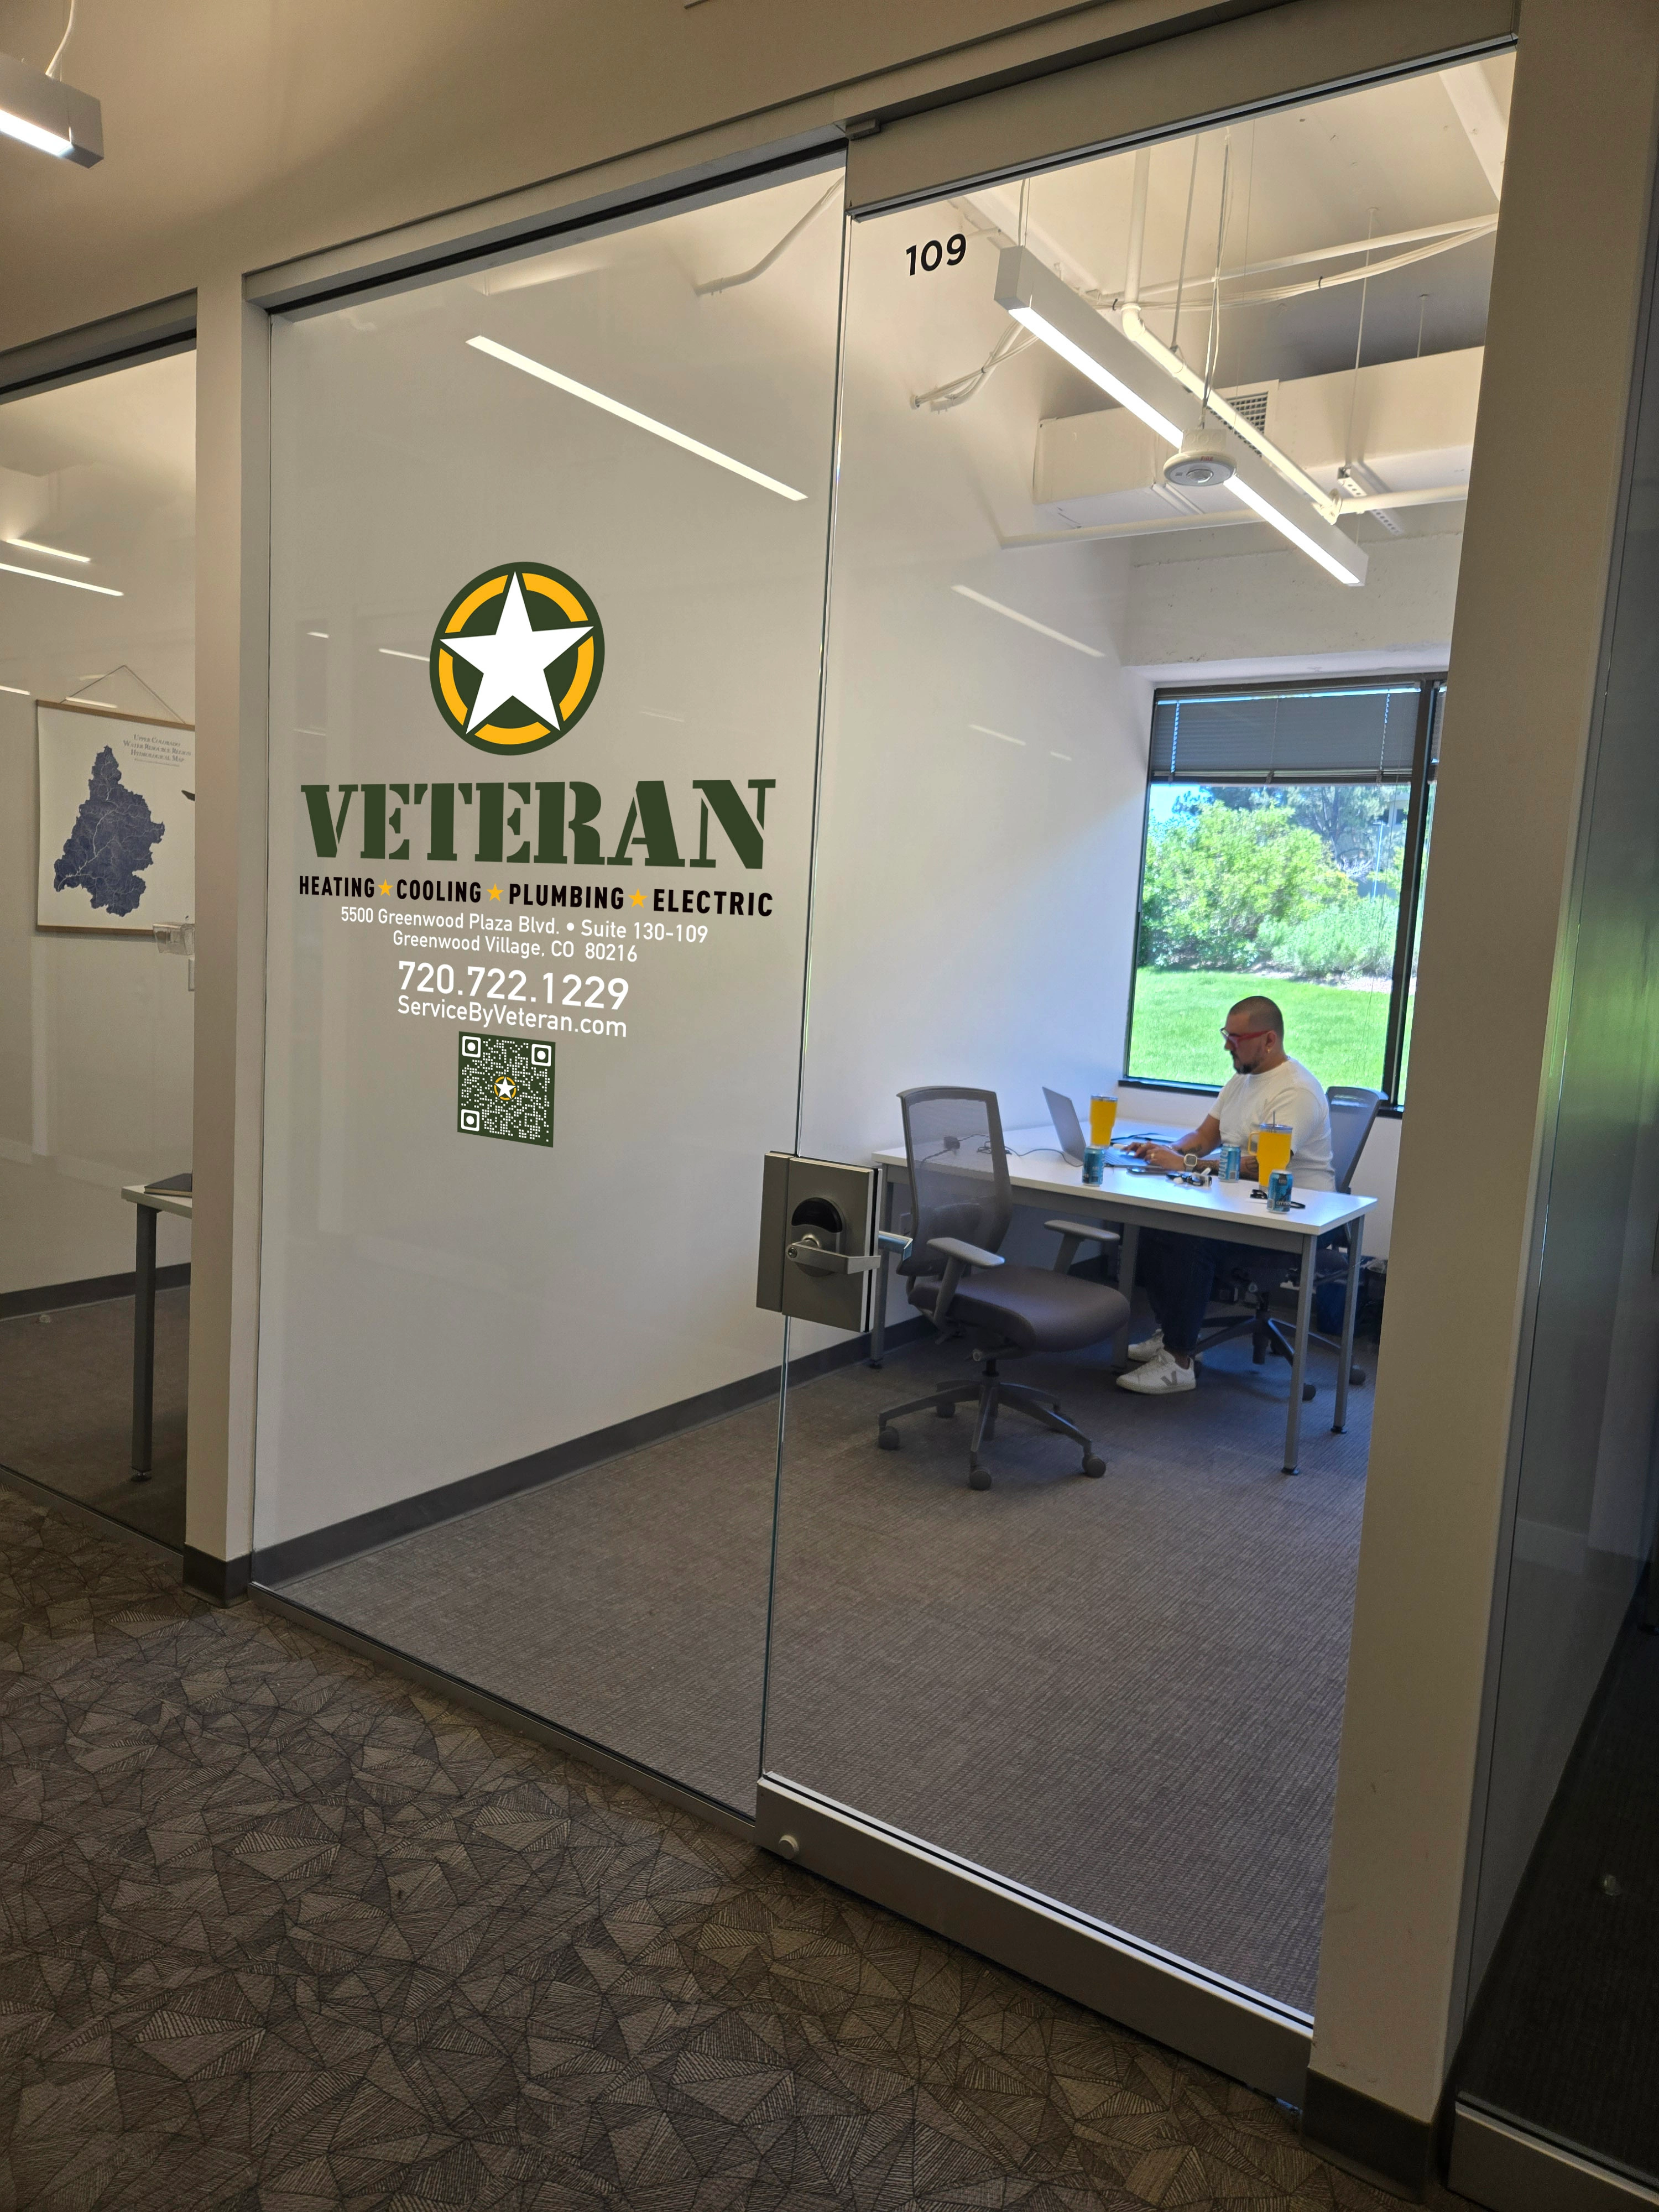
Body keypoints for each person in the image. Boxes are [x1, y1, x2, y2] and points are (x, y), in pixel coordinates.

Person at [1114, 995, 1334, 1397]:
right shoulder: (1241, 1079)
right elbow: (1203, 1136)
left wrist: (1186, 1165)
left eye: (1236, 1038)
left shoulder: (1297, 1091)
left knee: (1188, 1235)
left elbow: (1264, 1166)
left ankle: (1180, 1361)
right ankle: (1171, 1336)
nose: (1226, 1046)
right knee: (1156, 1220)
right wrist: (1164, 1149)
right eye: (1226, 1035)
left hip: (1288, 1220)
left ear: (1268, 1040)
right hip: (1240, 1206)